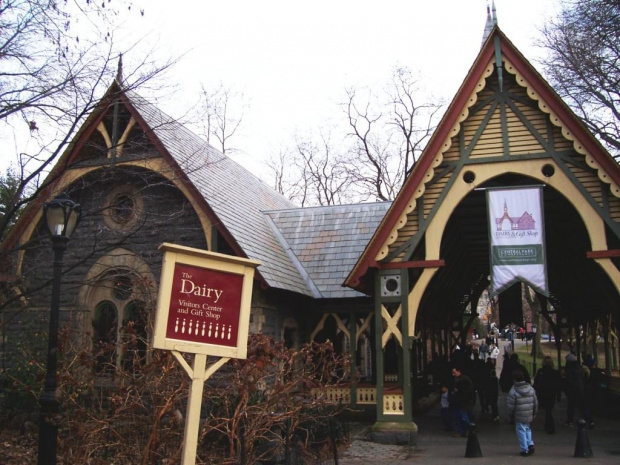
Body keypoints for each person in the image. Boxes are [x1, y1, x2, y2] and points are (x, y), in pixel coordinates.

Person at [507, 369, 538, 457]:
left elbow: (510, 405)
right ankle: (530, 443)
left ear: (514, 379)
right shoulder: (530, 388)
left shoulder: (513, 391)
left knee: (521, 430)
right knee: (527, 428)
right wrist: (534, 412)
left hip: (519, 414)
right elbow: (535, 401)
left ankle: (524, 449)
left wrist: (510, 415)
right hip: (528, 413)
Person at [533, 356, 562, 434]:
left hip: (542, 392)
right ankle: (549, 425)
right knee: (549, 409)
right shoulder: (555, 372)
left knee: (546, 409)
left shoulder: (541, 371)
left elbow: (536, 382)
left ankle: (549, 425)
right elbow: (559, 384)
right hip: (552, 393)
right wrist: (558, 395)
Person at [451, 366, 475, 438]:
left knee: (463, 417)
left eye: (454, 372)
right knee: (460, 417)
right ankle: (463, 431)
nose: (453, 374)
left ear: (459, 371)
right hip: (460, 401)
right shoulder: (460, 379)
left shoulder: (463, 380)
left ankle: (466, 430)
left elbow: (466, 392)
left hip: (463, 402)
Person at [564, 352, 585, 427]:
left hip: (572, 389)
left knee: (571, 406)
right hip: (580, 388)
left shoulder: (569, 368)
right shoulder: (579, 367)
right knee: (582, 405)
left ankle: (570, 421)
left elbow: (569, 380)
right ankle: (589, 420)